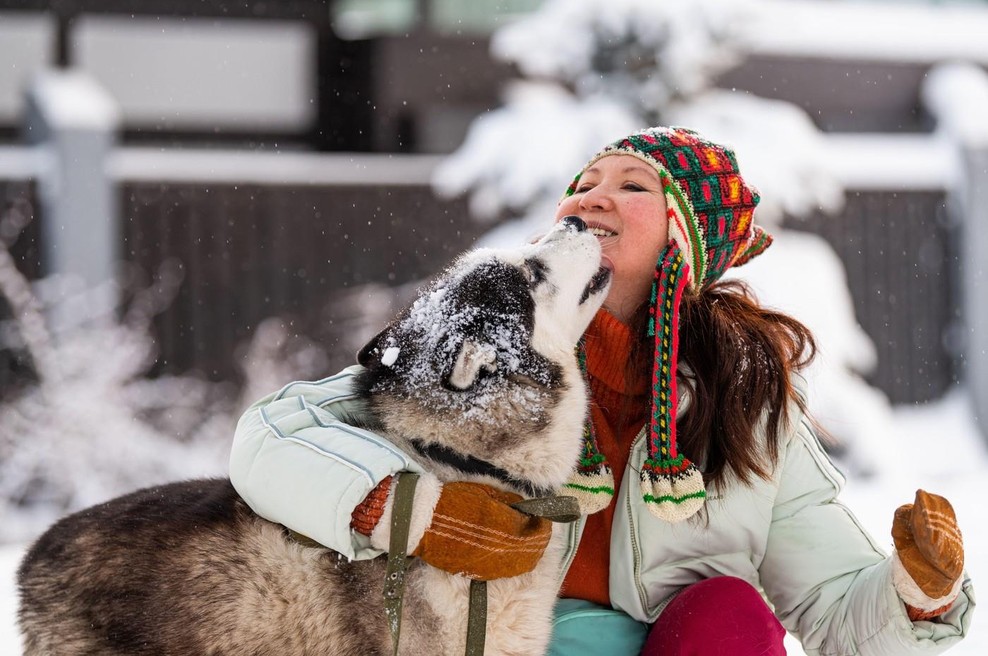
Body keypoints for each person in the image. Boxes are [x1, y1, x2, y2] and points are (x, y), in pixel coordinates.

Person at [230, 126, 974, 655]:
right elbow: (271, 438)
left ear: (684, 236)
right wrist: (401, 512)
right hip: (479, 640)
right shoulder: (490, 344)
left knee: (730, 613)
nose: (590, 198)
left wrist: (920, 593)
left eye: (631, 186)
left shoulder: (745, 405)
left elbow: (835, 609)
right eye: (582, 186)